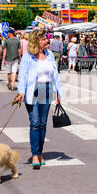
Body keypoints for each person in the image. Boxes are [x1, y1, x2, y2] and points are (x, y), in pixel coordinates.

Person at [16, 30, 63, 170]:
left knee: (42, 123)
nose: (47, 41)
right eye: (44, 39)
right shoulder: (27, 57)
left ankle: (40, 153)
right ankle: (35, 154)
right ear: (36, 42)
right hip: (32, 90)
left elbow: (55, 75)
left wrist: (58, 93)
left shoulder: (49, 55)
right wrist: (21, 92)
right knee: (35, 123)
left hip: (46, 90)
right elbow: (22, 75)